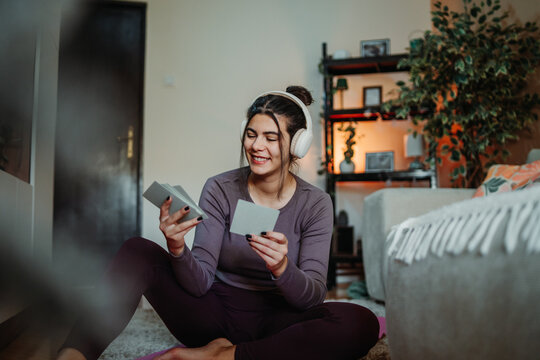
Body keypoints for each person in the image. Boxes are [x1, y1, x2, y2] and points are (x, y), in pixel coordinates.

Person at [57, 86, 379, 360]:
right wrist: (177, 247)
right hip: (213, 313)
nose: (257, 146)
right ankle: (74, 353)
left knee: (361, 322)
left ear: (297, 145)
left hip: (278, 319)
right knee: (136, 249)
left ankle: (226, 356)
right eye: (252, 135)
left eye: (271, 137)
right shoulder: (220, 187)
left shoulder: (316, 203)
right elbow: (199, 283)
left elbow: (311, 297)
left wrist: (283, 268)